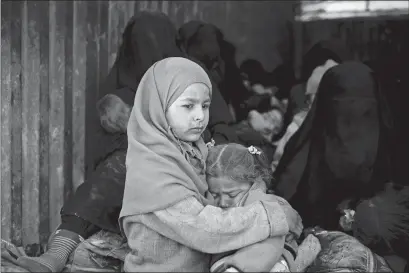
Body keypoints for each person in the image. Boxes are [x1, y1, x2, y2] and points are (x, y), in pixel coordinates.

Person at [16, 11, 237, 273]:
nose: (150, 53)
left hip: (183, 181)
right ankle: (58, 251)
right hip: (128, 188)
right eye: (141, 44)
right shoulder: (118, 93)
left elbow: (224, 130)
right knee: (119, 165)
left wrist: (196, 142)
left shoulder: (187, 80)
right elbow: (100, 150)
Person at [120, 57, 301, 272]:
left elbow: (232, 192)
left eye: (205, 106)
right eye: (188, 106)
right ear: (158, 107)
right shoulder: (151, 169)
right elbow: (203, 229)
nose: (199, 116)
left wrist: (269, 203)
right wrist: (272, 216)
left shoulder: (193, 151)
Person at [274, 61, 394, 230]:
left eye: (366, 114)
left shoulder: (395, 168)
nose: (353, 129)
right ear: (324, 111)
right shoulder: (294, 177)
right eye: (343, 115)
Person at [205, 143, 320, 273]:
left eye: (232, 194)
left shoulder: (262, 203)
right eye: (214, 195)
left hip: (269, 261)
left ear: (255, 184)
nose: (223, 202)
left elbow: (284, 224)